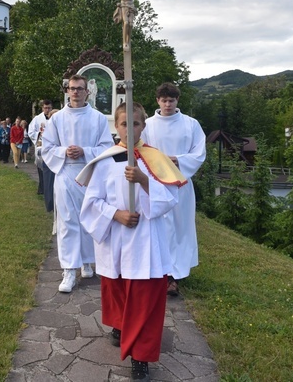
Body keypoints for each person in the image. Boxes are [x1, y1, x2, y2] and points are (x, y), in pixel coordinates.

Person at [78, 101, 186, 381]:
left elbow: (170, 200)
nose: (130, 129)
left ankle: (140, 357)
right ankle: (119, 325)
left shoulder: (155, 159)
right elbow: (91, 204)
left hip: (146, 240)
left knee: (145, 298)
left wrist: (144, 180)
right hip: (115, 236)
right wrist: (116, 214)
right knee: (117, 289)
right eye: (124, 124)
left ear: (144, 126)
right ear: (117, 126)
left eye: (135, 123)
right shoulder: (105, 160)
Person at [41, 74, 114, 293]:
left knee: (90, 219)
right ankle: (69, 269)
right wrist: (65, 151)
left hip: (91, 174)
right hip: (66, 173)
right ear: (67, 91)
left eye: (80, 89)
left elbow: (106, 146)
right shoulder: (57, 119)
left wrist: (85, 151)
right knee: (68, 222)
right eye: (71, 88)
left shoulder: (98, 118)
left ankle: (88, 261)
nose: (75, 92)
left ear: (87, 92)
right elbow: (47, 147)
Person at [141, 82, 206, 296]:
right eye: (164, 100)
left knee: (180, 228)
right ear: (157, 100)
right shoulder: (147, 125)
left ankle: (176, 274)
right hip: (156, 183)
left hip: (181, 184)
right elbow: (142, 151)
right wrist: (158, 165)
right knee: (161, 227)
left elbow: (198, 153)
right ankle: (161, 272)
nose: (167, 104)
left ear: (177, 100)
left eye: (171, 100)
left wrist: (177, 160)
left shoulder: (191, 124)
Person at [28, 100, 53, 194]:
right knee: (41, 168)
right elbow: (31, 131)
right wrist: (39, 134)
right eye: (45, 108)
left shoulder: (55, 117)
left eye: (49, 108)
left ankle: (50, 188)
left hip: (52, 148)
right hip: (41, 147)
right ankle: (42, 188)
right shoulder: (37, 119)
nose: (47, 110)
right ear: (42, 108)